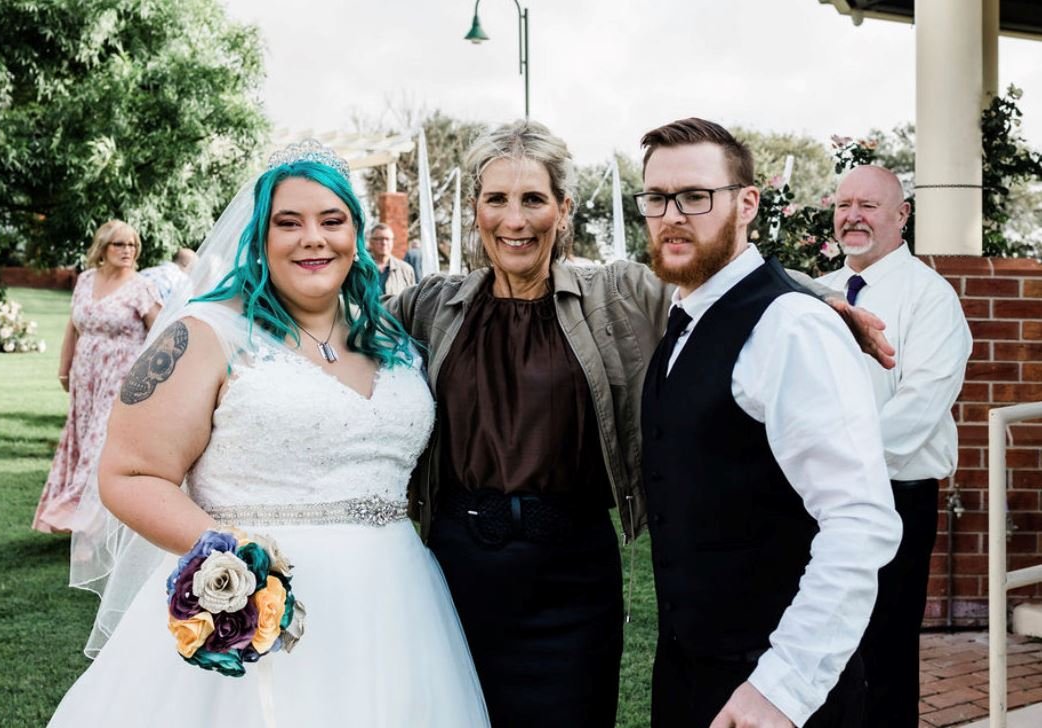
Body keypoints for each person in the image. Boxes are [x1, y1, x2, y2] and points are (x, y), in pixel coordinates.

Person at [386, 119, 896, 728]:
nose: (514, 220)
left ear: (563, 209)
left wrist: (824, 301)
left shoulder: (615, 295)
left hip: (571, 577)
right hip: (457, 569)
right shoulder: (430, 306)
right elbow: (341, 318)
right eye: (496, 199)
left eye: (533, 199)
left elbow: (729, 279)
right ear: (475, 209)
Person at [48, 143, 489, 726]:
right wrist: (237, 565)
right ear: (259, 236)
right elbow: (128, 474)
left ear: (355, 234)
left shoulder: (391, 338)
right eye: (289, 223)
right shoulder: (205, 334)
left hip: (399, 606)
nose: (313, 238)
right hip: (256, 613)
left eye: (332, 220)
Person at [636, 118, 903, 728]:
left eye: (696, 196)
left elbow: (858, 522)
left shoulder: (792, 327)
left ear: (748, 203)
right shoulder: (685, 315)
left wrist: (782, 688)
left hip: (774, 694)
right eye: (657, 198)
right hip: (691, 676)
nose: (672, 216)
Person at [818, 164, 971, 728]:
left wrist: (835, 464)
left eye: (869, 205)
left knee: (883, 655)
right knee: (822, 651)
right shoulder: (817, 293)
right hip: (819, 496)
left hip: (894, 496)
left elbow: (920, 405)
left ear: (902, 215)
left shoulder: (930, 297)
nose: (853, 216)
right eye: (844, 205)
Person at [32, 220, 161, 533]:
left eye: (132, 244)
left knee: (101, 442)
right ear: (102, 248)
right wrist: (64, 368)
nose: (128, 250)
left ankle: (84, 519)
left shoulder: (141, 287)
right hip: (86, 377)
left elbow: (162, 331)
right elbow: (73, 326)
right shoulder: (86, 280)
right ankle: (85, 519)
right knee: (83, 438)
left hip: (122, 378)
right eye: (120, 244)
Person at [368, 222, 417, 295]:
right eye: (379, 239)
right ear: (371, 242)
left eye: (387, 239)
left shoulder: (406, 270)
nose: (384, 243)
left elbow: (411, 298)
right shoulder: (362, 268)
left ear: (392, 242)